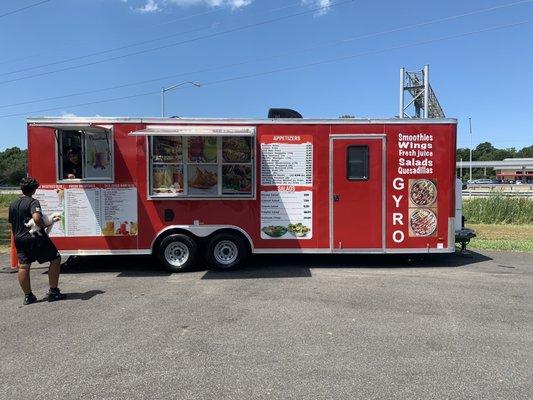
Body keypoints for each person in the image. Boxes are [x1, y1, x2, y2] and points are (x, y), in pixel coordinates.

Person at [8, 177, 66, 305]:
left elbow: (12, 224)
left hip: (19, 238)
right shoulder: (33, 202)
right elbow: (36, 217)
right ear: (34, 190)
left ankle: (28, 296)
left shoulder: (13, 204)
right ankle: (53, 291)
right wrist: (44, 226)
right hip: (35, 237)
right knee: (56, 259)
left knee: (24, 266)